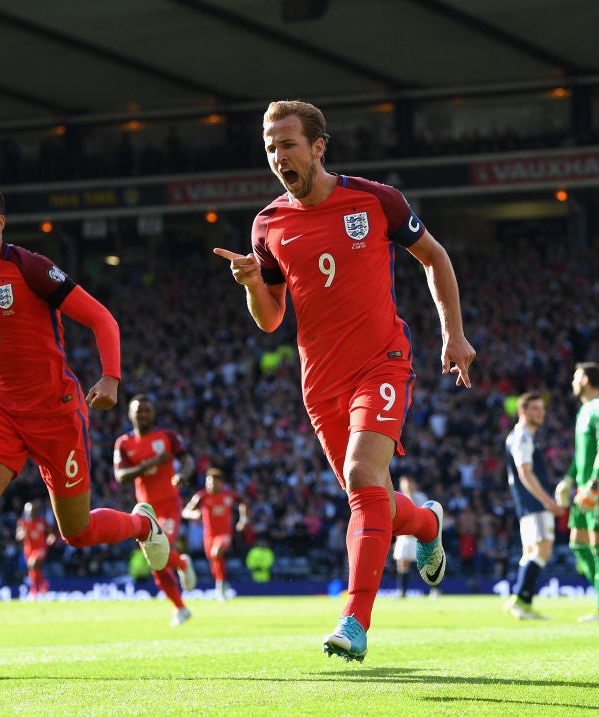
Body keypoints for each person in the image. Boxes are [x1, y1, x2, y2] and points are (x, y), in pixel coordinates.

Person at [214, 100, 475, 662]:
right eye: (270, 148)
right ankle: (427, 523)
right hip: (320, 383)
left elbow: (434, 258)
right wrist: (253, 284)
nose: (278, 156)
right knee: (370, 496)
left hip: (382, 362)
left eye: (287, 144)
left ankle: (354, 620)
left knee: (362, 475)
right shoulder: (268, 225)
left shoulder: (376, 201)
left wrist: (453, 334)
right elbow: (270, 319)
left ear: (317, 147)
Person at [0, 181, 169, 678]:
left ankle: (142, 525)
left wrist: (110, 376)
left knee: (77, 532)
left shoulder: (30, 268)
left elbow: (102, 319)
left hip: (56, 412)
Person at [114, 393, 197, 626]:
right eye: (138, 411)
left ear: (153, 413)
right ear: (130, 415)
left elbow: (188, 461)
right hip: (145, 511)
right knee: (155, 563)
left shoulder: (168, 436)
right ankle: (181, 605)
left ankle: (182, 567)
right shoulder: (124, 443)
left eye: (147, 410)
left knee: (161, 548)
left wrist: (182, 474)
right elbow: (121, 476)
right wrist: (150, 463)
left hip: (169, 505)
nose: (143, 414)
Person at [560, 362, 599, 622]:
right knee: (577, 544)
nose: (573, 382)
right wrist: (568, 479)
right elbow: (581, 455)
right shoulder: (583, 411)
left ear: (585, 380)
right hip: (583, 487)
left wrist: (595, 484)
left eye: (576, 377)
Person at [503, 392, 564, 619]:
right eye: (535, 409)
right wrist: (548, 502)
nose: (541, 413)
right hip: (534, 504)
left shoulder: (520, 435)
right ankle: (520, 598)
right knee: (542, 551)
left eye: (542, 408)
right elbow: (525, 473)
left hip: (526, 504)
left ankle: (524, 604)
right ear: (523, 411)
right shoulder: (523, 436)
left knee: (530, 552)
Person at [182, 466, 249, 601]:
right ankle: (223, 583)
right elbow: (185, 512)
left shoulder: (229, 495)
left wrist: (243, 519)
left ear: (221, 483)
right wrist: (194, 515)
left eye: (215, 482)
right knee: (215, 561)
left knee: (216, 552)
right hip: (209, 535)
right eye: (209, 482)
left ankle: (220, 588)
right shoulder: (202, 496)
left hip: (224, 534)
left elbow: (244, 503)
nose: (212, 485)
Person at [390, 475, 428, 598]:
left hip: (417, 536)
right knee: (402, 563)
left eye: (409, 483)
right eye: (405, 483)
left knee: (425, 563)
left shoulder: (421, 497)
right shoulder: (397, 497)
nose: (407, 486)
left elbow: (421, 514)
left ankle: (436, 589)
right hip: (403, 537)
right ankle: (402, 591)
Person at [16, 501, 57, 599]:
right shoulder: (23, 523)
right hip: (28, 550)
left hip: (41, 549)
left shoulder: (42, 521)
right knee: (33, 569)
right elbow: (18, 536)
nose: (31, 513)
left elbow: (51, 533)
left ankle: (34, 590)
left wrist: (51, 538)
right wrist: (22, 535)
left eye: (33, 511)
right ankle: (42, 584)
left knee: (33, 564)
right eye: (29, 512)